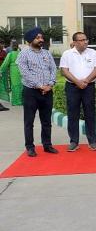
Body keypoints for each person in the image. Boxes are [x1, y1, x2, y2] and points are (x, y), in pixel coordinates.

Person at [17, 28, 58, 157]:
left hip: (47, 91)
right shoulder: (24, 54)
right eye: (38, 38)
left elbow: (53, 69)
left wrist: (50, 84)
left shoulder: (46, 53)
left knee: (46, 121)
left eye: (41, 37)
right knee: (29, 121)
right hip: (31, 92)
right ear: (30, 40)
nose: (41, 40)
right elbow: (25, 73)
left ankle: (47, 145)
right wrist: (40, 86)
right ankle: (30, 147)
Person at [59, 32, 96, 152]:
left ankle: (92, 141)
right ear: (75, 42)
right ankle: (74, 141)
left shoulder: (93, 53)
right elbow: (64, 71)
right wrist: (77, 82)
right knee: (73, 114)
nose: (86, 42)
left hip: (89, 87)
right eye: (82, 40)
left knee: (90, 113)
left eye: (86, 39)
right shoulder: (67, 54)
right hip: (72, 87)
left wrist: (86, 80)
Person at [0, 40, 22, 106]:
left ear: (11, 46)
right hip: (21, 70)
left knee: (15, 85)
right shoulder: (20, 53)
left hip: (14, 71)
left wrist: (0, 70)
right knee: (21, 85)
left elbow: (5, 64)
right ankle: (22, 100)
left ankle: (16, 101)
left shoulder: (10, 54)